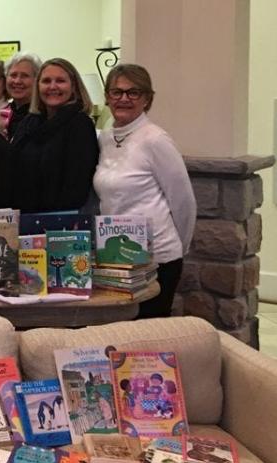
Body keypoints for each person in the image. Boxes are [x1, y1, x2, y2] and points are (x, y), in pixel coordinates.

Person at [94, 64, 195, 318]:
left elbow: (184, 202)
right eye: (116, 92)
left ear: (147, 99)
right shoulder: (105, 138)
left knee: (147, 338)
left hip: (157, 259)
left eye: (133, 92)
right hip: (117, 257)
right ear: (107, 97)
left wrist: (177, 249)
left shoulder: (155, 139)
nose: (124, 99)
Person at [11, 58, 99, 213]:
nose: (52, 86)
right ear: (38, 87)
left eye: (60, 81)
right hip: (26, 218)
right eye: (46, 81)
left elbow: (77, 184)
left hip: (61, 223)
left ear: (74, 87)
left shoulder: (80, 124)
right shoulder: (29, 122)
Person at [4, 52, 42, 138]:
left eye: (25, 76)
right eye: (13, 75)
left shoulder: (43, 116)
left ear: (38, 80)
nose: (17, 81)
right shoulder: (2, 115)